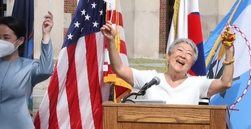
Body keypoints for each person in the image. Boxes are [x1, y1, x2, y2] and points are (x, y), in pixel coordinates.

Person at [100, 23, 235, 104]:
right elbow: (119, 68)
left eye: (188, 54)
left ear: (191, 64)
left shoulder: (197, 83)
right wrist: (111, 42)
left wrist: (228, 50)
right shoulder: (151, 79)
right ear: (168, 56)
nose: (183, 55)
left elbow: (226, 83)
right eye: (180, 50)